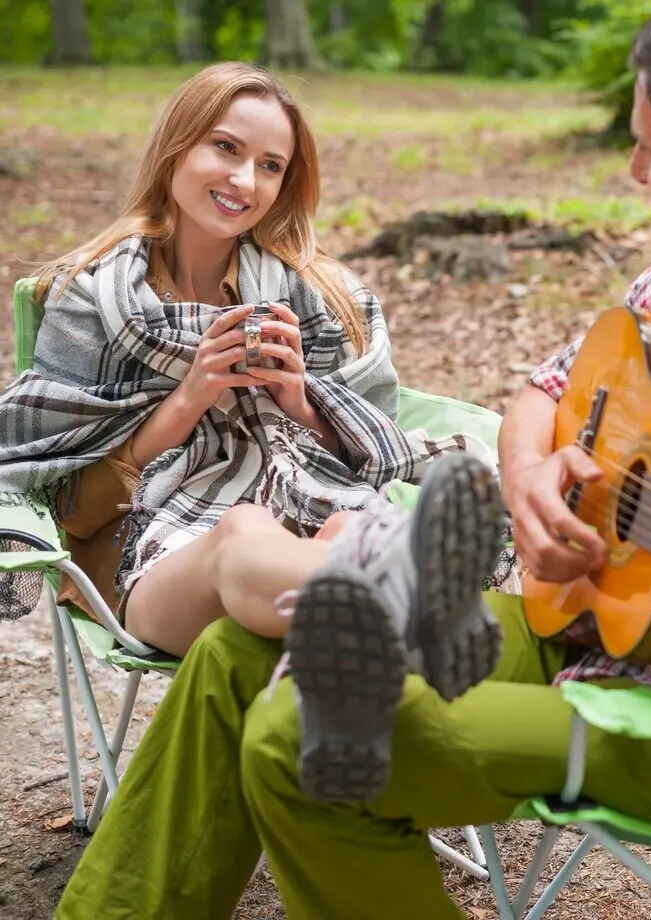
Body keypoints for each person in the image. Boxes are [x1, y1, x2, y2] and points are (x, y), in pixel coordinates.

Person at [54, 1, 651, 917]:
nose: (638, 173)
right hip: (581, 628)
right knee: (234, 652)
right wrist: (530, 481)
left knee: (305, 738)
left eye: (650, 151)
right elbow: (547, 389)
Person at [0, 63, 507, 791]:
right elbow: (63, 505)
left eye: (271, 165)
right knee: (242, 531)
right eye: (226, 148)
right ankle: (420, 614)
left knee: (348, 530)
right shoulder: (94, 299)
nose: (246, 180)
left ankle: (362, 645)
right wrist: (187, 402)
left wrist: (303, 400)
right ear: (177, 148)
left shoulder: (319, 295)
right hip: (145, 549)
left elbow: (377, 445)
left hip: (307, 514)